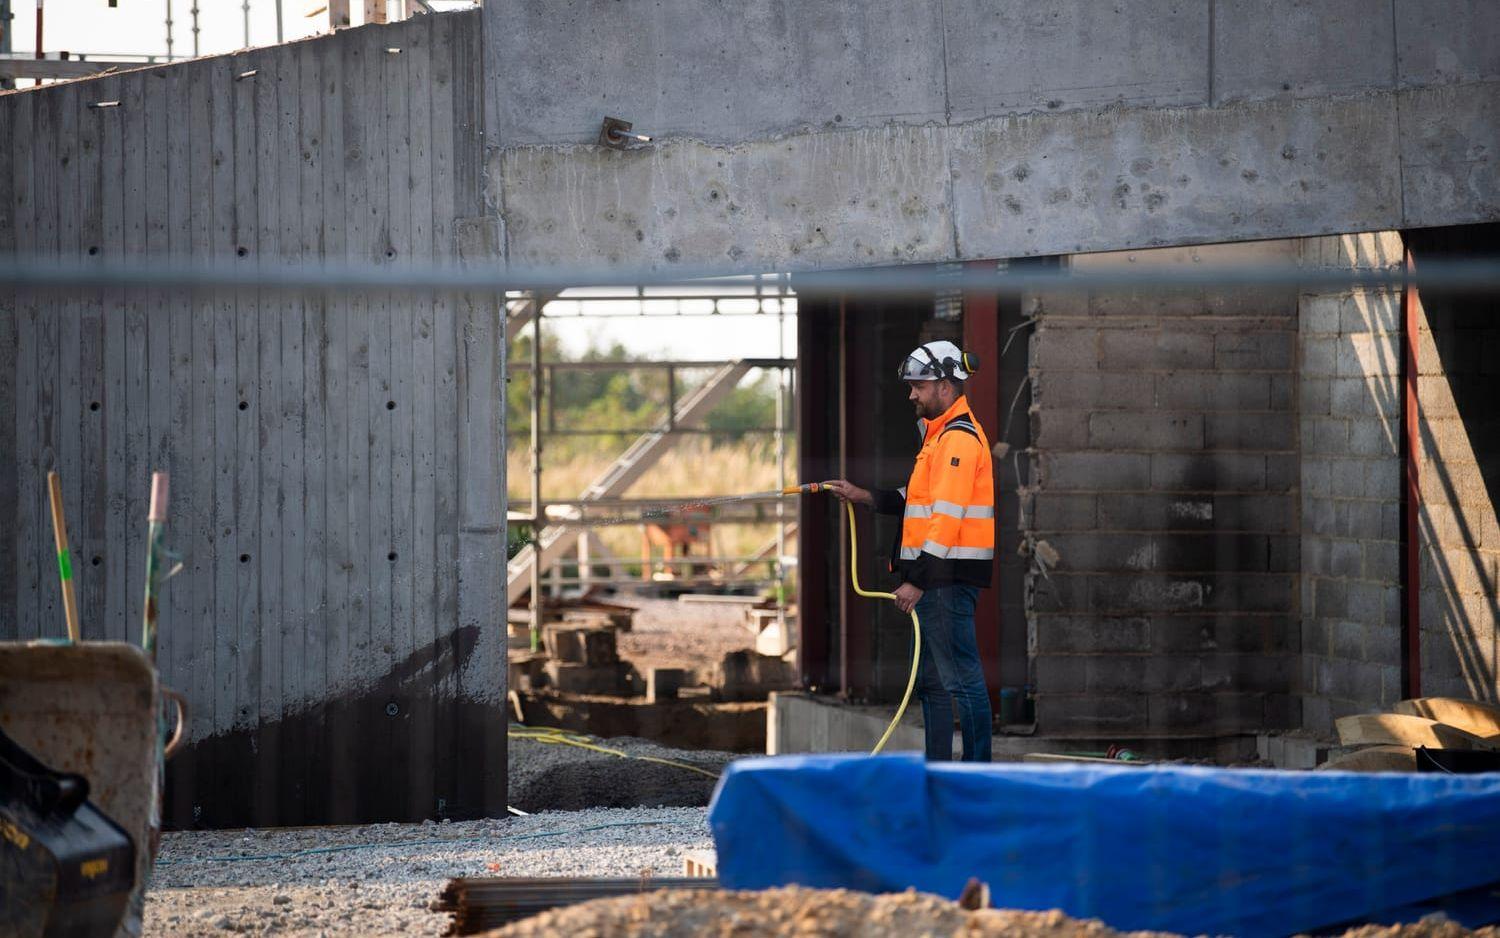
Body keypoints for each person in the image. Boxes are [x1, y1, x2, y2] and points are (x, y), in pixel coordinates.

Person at [824, 340, 996, 762]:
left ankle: (976, 775)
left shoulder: (957, 441)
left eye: (918, 386)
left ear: (944, 385)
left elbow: (947, 519)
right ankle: (938, 772)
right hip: (939, 580)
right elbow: (916, 501)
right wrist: (865, 496)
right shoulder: (938, 440)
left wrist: (917, 581)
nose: (911, 395)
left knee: (961, 681)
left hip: (945, 582)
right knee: (934, 685)